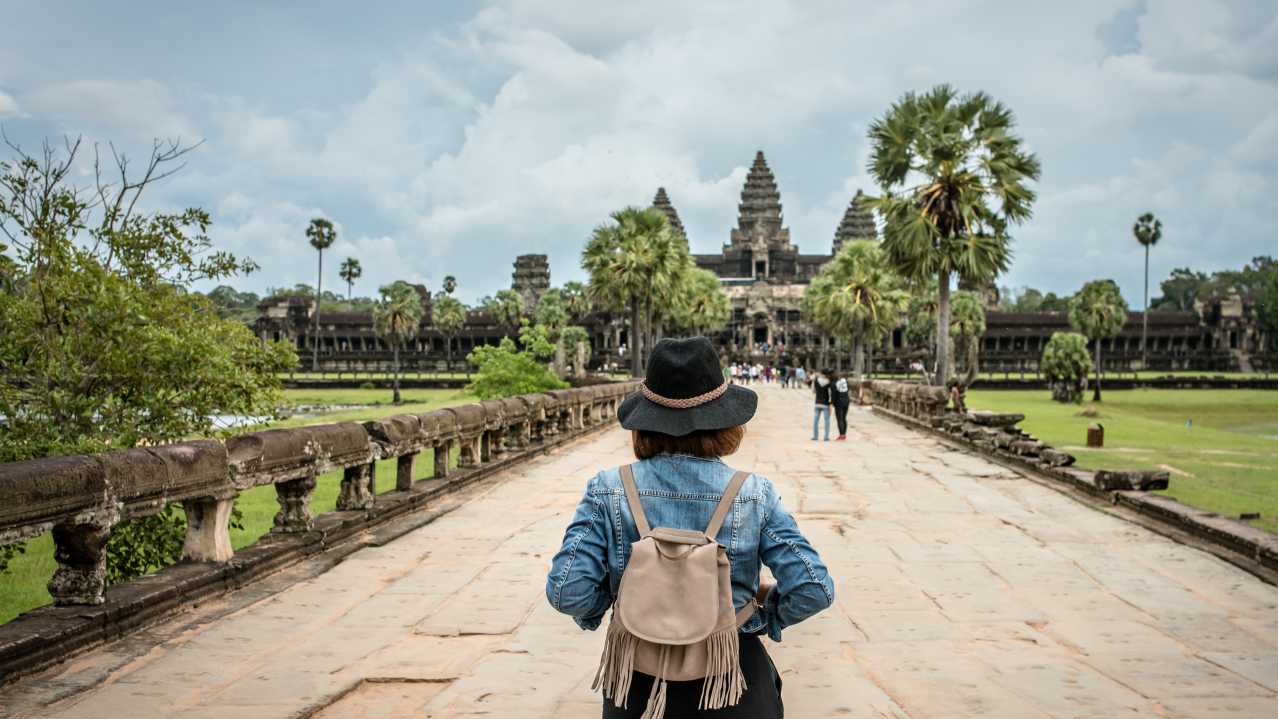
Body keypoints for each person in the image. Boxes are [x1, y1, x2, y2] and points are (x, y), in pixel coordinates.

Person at [546, 337, 834, 718]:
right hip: (733, 679)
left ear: (644, 422)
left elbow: (567, 591)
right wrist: (754, 617)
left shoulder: (609, 489)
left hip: (636, 684)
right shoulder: (753, 493)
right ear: (725, 420)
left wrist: (620, 602)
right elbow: (814, 588)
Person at [812, 369, 832, 441]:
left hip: (817, 402)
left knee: (815, 420)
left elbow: (813, 391)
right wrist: (830, 404)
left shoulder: (816, 380)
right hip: (825, 403)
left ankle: (815, 436)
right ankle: (826, 437)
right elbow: (830, 394)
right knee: (827, 420)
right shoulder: (829, 382)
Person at [831, 370, 850, 441]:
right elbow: (847, 389)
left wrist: (831, 404)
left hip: (839, 402)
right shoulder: (844, 381)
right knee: (844, 418)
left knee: (839, 419)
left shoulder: (833, 384)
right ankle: (844, 434)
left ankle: (841, 435)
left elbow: (833, 396)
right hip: (846, 401)